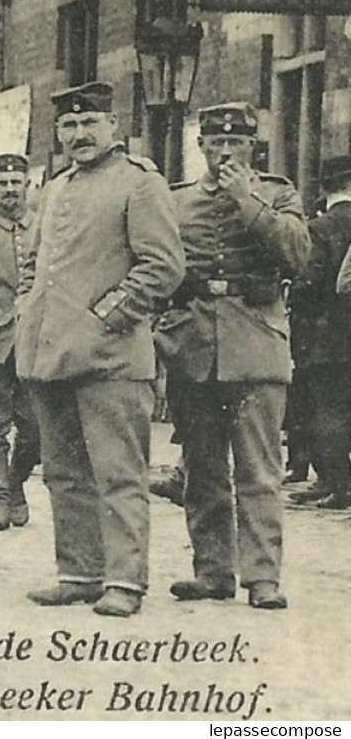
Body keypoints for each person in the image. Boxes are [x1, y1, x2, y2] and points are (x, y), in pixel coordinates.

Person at [17, 82, 185, 618]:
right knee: (63, 471)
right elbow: (33, 262)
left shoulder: (140, 183)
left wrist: (106, 316)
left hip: (111, 357)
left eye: (89, 123)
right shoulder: (55, 188)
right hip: (50, 354)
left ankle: (125, 581)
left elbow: (162, 266)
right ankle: (80, 572)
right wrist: (27, 310)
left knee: (119, 473)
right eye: (68, 126)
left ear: (113, 126)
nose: (79, 134)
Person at [154, 103, 308, 610]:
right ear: (200, 146)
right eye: (215, 143)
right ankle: (213, 570)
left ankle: (263, 577)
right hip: (192, 344)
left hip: (256, 341)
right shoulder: (176, 201)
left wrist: (249, 201)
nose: (224, 152)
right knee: (202, 468)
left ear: (252, 148)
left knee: (259, 469)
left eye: (235, 144)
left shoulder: (278, 194)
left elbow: (298, 256)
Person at [0, 152, 42, 530]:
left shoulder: (42, 226)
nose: (10, 190)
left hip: (35, 341)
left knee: (35, 429)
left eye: (16, 183)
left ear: (27, 186)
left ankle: (15, 482)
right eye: (2, 184)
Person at [290, 155, 351, 509]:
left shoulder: (320, 228)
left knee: (327, 410)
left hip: (324, 336)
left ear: (324, 188)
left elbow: (307, 280)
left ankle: (337, 483)